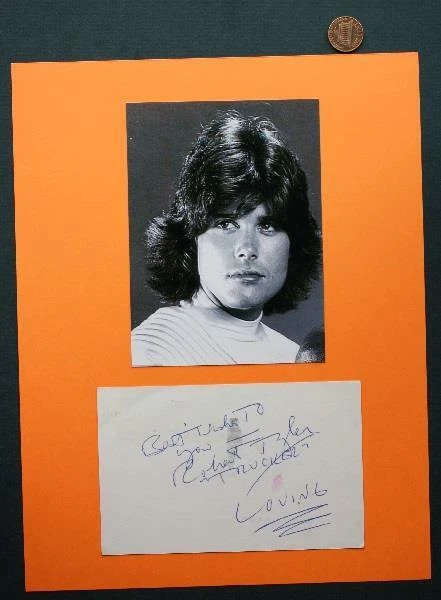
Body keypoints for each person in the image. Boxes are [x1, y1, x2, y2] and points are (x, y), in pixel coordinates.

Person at [131, 111, 322, 366]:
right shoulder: (152, 352)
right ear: (191, 238)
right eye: (226, 224)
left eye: (267, 225)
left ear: (293, 244)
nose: (247, 249)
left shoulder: (293, 355)